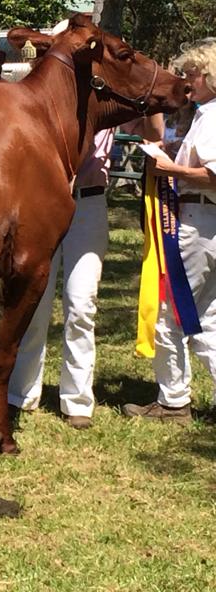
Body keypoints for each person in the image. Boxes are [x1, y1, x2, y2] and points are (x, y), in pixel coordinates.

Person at [7, 101, 163, 429]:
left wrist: (153, 99)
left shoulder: (112, 107)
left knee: (81, 304)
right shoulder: (53, 98)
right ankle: (22, 392)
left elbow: (155, 133)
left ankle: (77, 398)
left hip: (89, 202)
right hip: (44, 202)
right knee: (35, 301)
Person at [123, 39, 216, 423]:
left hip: (196, 219)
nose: (187, 80)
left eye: (192, 72)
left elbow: (213, 175)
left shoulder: (210, 118)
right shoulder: (203, 115)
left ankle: (173, 400)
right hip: (207, 221)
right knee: (208, 317)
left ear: (210, 75)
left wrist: (168, 169)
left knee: (170, 311)